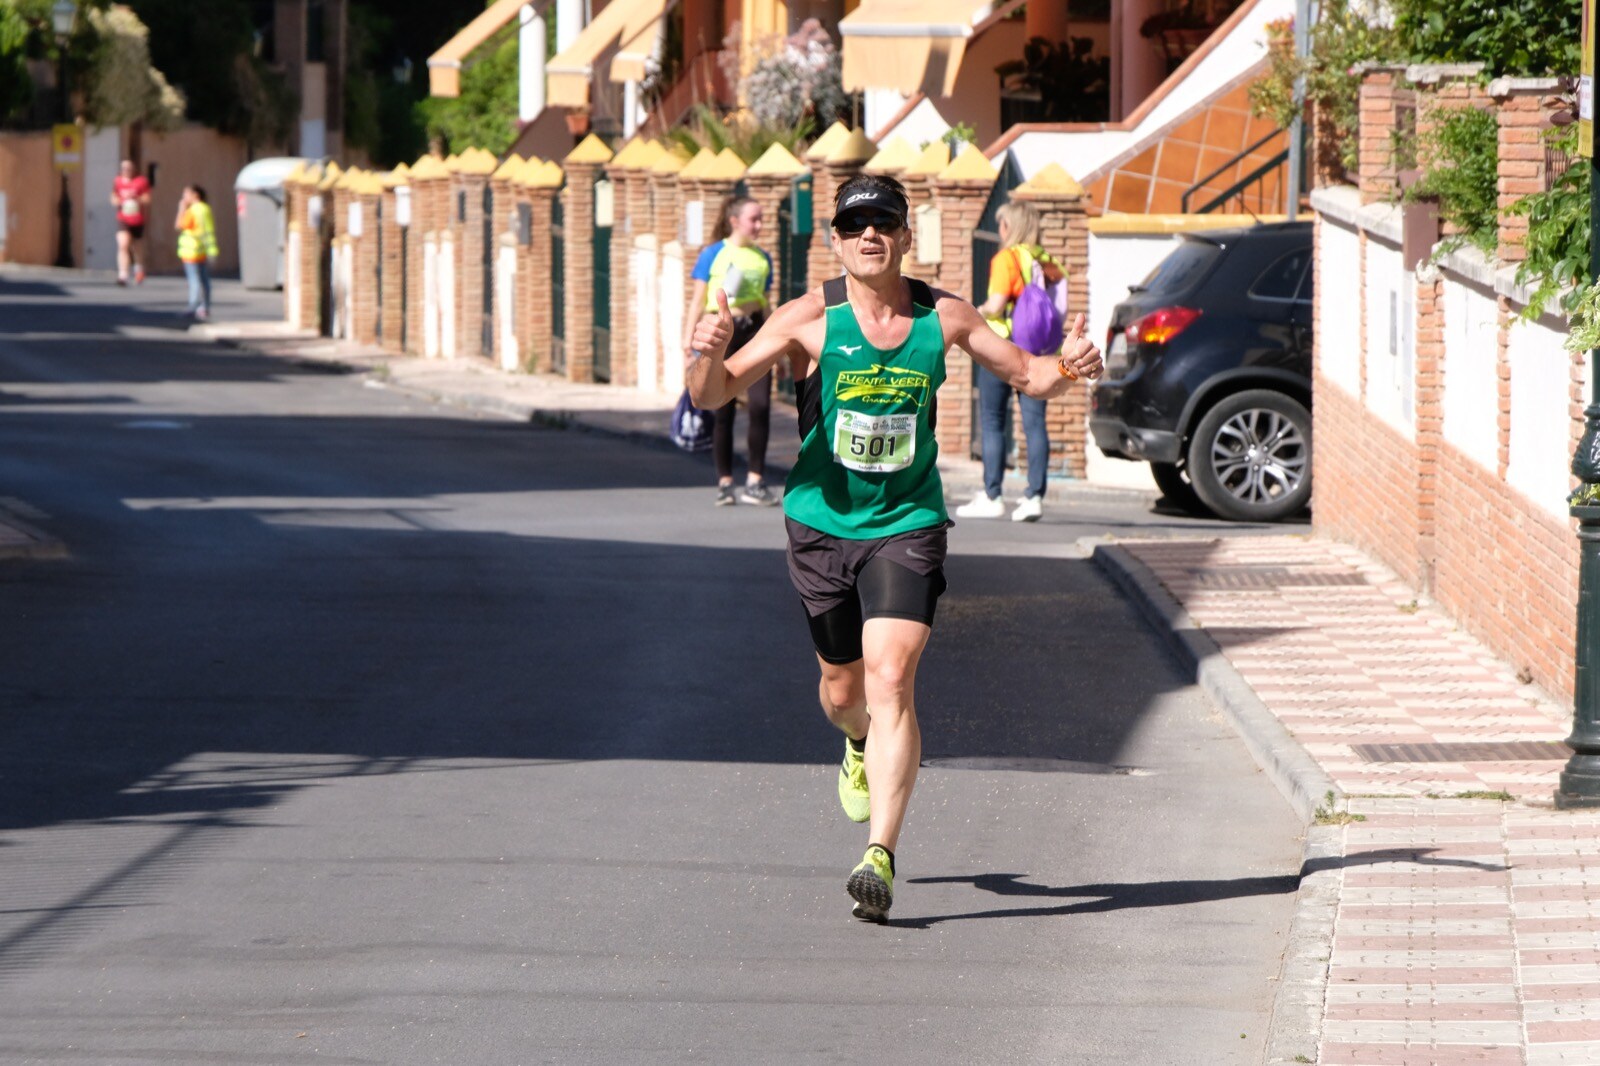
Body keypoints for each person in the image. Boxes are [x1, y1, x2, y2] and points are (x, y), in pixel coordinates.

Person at [687, 174, 1102, 922]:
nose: (871, 234)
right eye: (856, 226)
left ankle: (879, 853)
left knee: (892, 677)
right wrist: (706, 353)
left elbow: (1027, 374)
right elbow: (713, 394)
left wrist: (1072, 367)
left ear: (906, 237)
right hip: (821, 525)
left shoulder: (943, 318)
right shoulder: (809, 318)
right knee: (845, 694)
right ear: (837, 241)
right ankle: (854, 747)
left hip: (906, 523)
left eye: (885, 222)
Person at [955, 201, 1066, 523]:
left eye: (1002, 224)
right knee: (1034, 423)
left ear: (1010, 227)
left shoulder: (1007, 259)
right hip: (1041, 349)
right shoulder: (1049, 261)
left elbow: (997, 303)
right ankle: (1034, 497)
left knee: (992, 420)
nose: (1000, 230)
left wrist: (975, 311)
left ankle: (992, 494)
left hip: (1004, 347)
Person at [683, 196, 778, 507]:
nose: (760, 225)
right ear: (735, 221)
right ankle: (725, 481)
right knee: (722, 410)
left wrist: (778, 342)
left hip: (754, 332)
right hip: (723, 333)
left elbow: (766, 302)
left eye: (762, 219)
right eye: (754, 219)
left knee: (761, 406)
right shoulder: (713, 253)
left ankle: (755, 480)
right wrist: (688, 344)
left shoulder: (763, 257)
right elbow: (697, 301)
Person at [175, 185, 218, 321]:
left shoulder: (193, 210)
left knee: (194, 280)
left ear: (195, 195)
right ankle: (205, 307)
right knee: (205, 280)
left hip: (191, 251)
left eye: (186, 194)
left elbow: (179, 225)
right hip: (203, 250)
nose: (184, 198)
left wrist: (181, 208)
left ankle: (192, 306)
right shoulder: (205, 209)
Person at [110, 159, 151, 287]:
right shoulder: (117, 181)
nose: (126, 171)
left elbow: (147, 198)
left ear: (134, 169)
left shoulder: (141, 181)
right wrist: (119, 201)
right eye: (123, 168)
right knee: (123, 245)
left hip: (137, 218)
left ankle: (138, 268)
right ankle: (123, 274)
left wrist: (136, 199)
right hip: (123, 218)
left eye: (128, 168)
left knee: (136, 247)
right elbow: (113, 197)